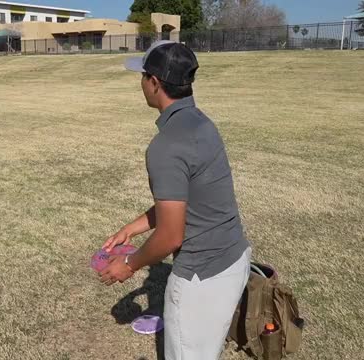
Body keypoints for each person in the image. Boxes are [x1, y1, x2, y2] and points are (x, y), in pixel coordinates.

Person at [99, 40, 252, 360]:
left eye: (142, 76)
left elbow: (171, 235)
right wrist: (134, 227)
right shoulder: (200, 124)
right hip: (232, 260)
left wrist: (129, 265)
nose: (140, 83)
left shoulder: (165, 146)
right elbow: (186, 201)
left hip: (200, 278)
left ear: (154, 83)